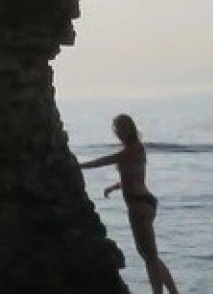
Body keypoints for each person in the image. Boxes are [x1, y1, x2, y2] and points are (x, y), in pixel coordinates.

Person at [80, 113, 181, 294]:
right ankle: (172, 292)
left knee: (149, 256)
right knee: (149, 255)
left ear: (128, 129)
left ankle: (159, 292)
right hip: (144, 201)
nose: (118, 133)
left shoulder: (129, 151)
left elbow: (103, 161)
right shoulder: (137, 149)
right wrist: (114, 187)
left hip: (138, 205)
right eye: (116, 130)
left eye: (120, 129)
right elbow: (133, 177)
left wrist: (79, 166)